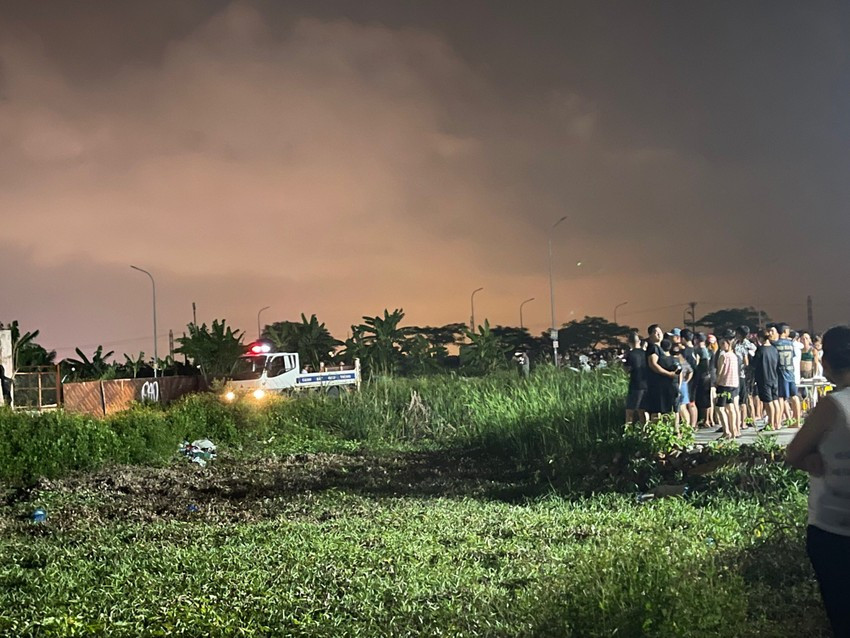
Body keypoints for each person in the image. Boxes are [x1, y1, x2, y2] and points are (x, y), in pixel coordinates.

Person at [786, 325, 850, 637]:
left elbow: (794, 453)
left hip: (834, 530)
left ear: (825, 363)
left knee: (842, 615)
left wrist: (811, 458)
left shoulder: (832, 405)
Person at [645, 325, 678, 420]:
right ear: (650, 335)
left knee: (665, 411)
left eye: (660, 331)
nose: (659, 334)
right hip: (657, 385)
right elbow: (653, 365)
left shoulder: (660, 348)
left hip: (664, 385)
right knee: (656, 411)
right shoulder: (653, 348)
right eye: (656, 332)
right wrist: (669, 374)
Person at [774, 323, 802, 427]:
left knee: (781, 398)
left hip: (781, 373)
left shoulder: (775, 344)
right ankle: (797, 421)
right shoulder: (790, 344)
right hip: (791, 372)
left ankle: (778, 422)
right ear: (785, 332)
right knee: (794, 396)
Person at [753, 328, 780, 430]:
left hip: (764, 378)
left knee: (768, 402)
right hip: (774, 377)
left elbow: (754, 364)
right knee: (775, 400)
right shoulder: (774, 349)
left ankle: (771, 424)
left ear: (760, 338)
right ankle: (777, 423)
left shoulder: (760, 350)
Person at [715, 336, 740, 438]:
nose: (721, 346)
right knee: (730, 407)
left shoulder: (723, 356)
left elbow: (720, 372)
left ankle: (726, 431)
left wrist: (716, 381)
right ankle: (734, 429)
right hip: (733, 384)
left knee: (719, 408)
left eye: (722, 343)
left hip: (724, 384)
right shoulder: (734, 356)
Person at [734, 325, 757, 429]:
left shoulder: (743, 346)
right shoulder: (751, 345)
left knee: (746, 398)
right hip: (746, 374)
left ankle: (747, 420)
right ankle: (750, 419)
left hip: (744, 374)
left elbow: (746, 362)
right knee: (747, 397)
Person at [624, 332, 648, 424]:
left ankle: (628, 433)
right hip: (646, 385)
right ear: (639, 341)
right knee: (643, 411)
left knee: (630, 411)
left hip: (635, 385)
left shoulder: (629, 354)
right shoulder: (646, 353)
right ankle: (645, 433)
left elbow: (627, 370)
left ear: (629, 342)